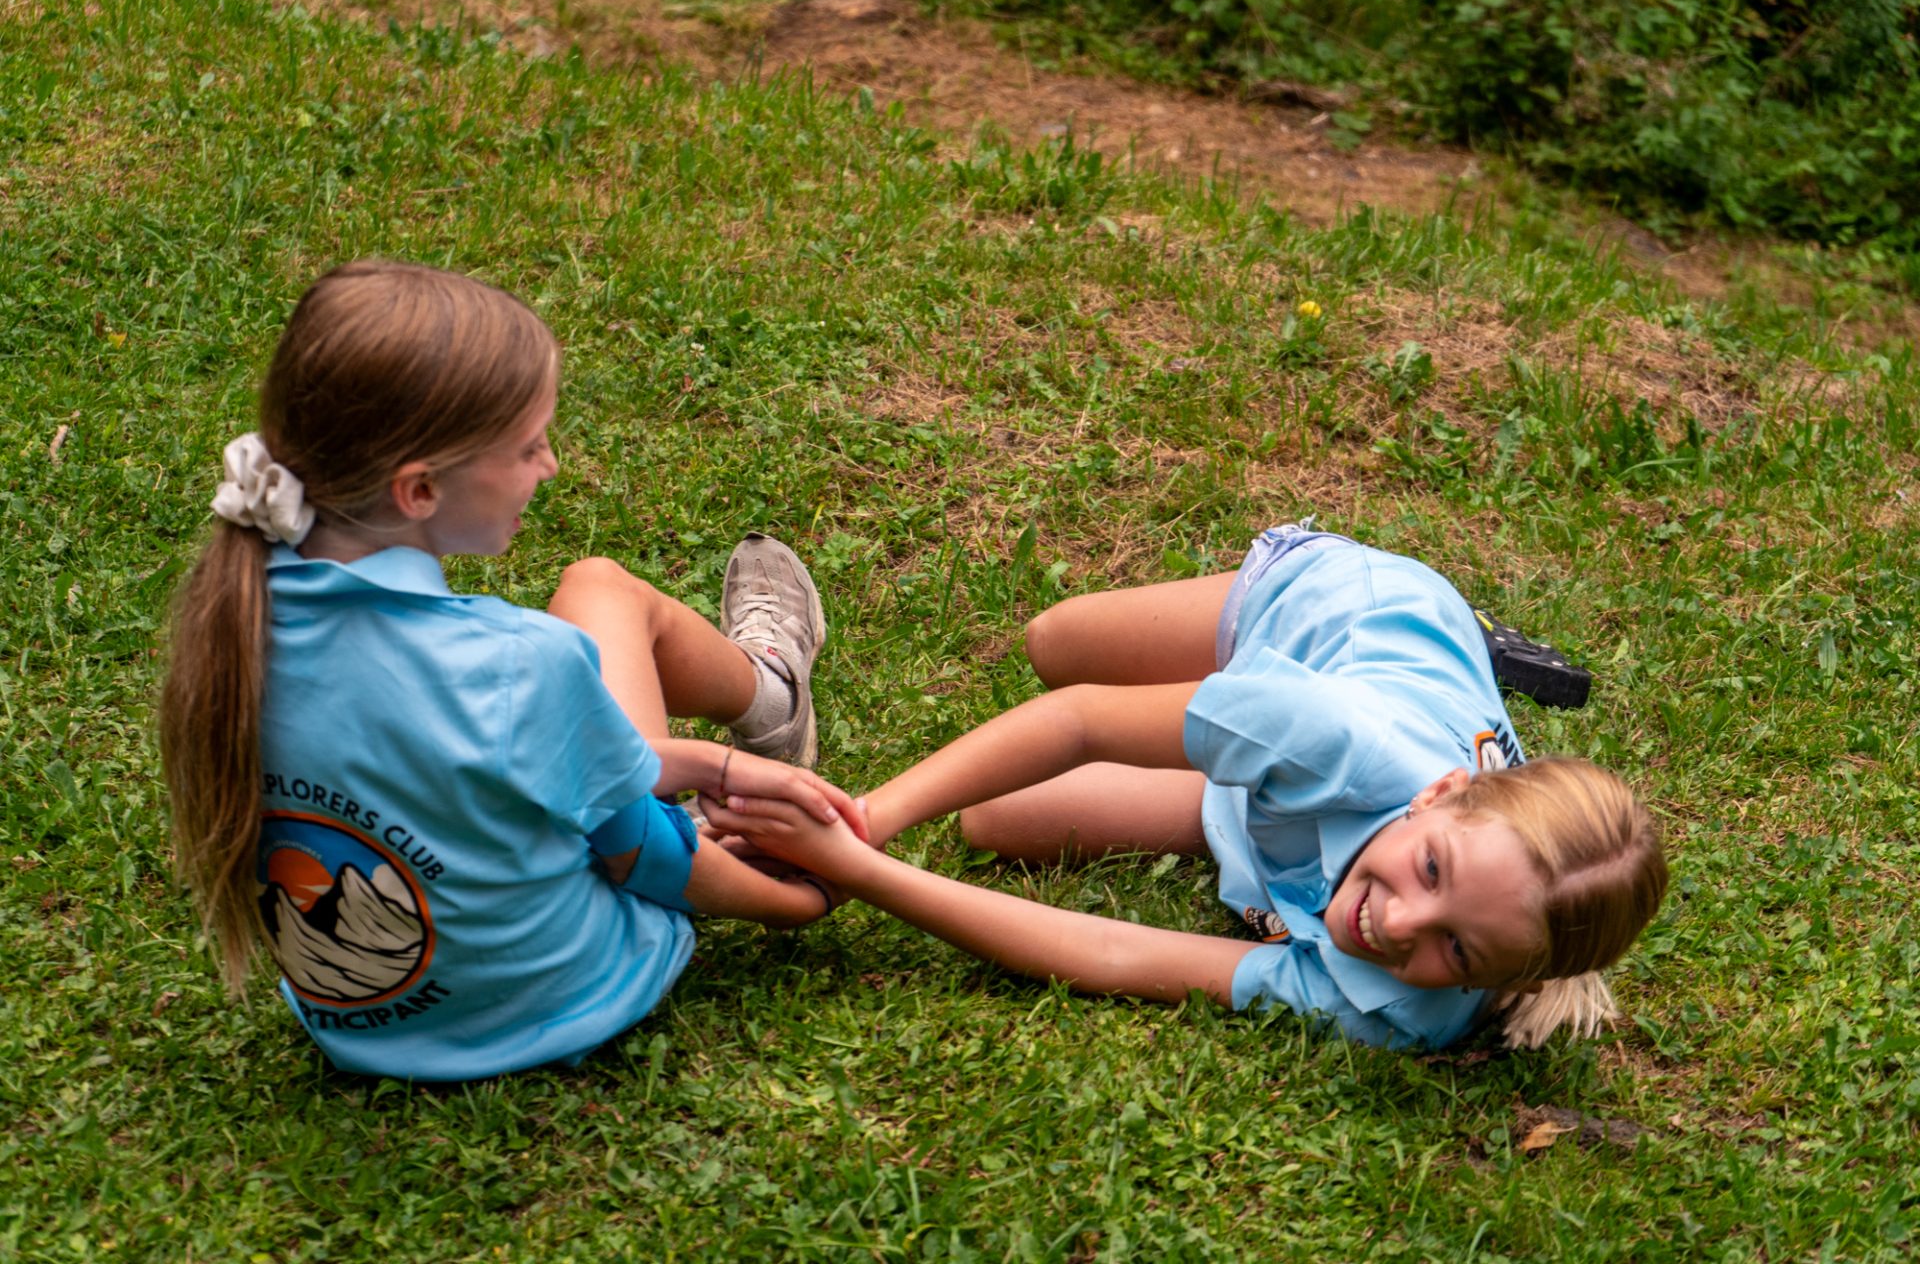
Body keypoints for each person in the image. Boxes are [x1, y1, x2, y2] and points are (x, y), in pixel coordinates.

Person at [160, 260, 865, 1081]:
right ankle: (773, 693)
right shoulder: (516, 663)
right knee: (598, 587)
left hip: (360, 1029)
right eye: (530, 446)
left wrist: (711, 765)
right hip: (567, 1001)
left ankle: (757, 716)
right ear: (420, 490)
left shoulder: (231, 621)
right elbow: (642, 856)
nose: (550, 465)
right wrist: (794, 903)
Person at [710, 526, 1667, 1050]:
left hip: (1292, 787)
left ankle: (1246, 769)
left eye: (1457, 948)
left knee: (994, 822)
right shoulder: (1331, 735)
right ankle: (1461, 638)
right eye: (1430, 870)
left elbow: (1122, 954)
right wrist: (865, 821)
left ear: (1503, 981)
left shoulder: (1410, 1012)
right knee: (1056, 644)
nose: (1397, 924)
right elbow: (1080, 718)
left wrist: (860, 872)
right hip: (1337, 612)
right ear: (1438, 797)